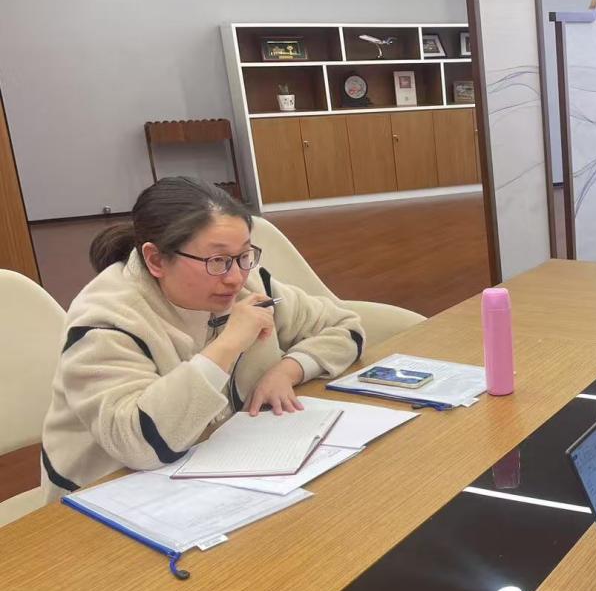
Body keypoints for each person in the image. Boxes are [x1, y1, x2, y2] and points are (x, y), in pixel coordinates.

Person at [40, 177, 365, 501]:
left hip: (223, 467)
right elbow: (140, 443)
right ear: (155, 260)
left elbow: (343, 326)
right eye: (217, 261)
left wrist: (287, 370)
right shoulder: (106, 321)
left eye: (244, 255)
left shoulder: (250, 283)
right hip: (107, 496)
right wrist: (228, 344)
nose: (236, 278)